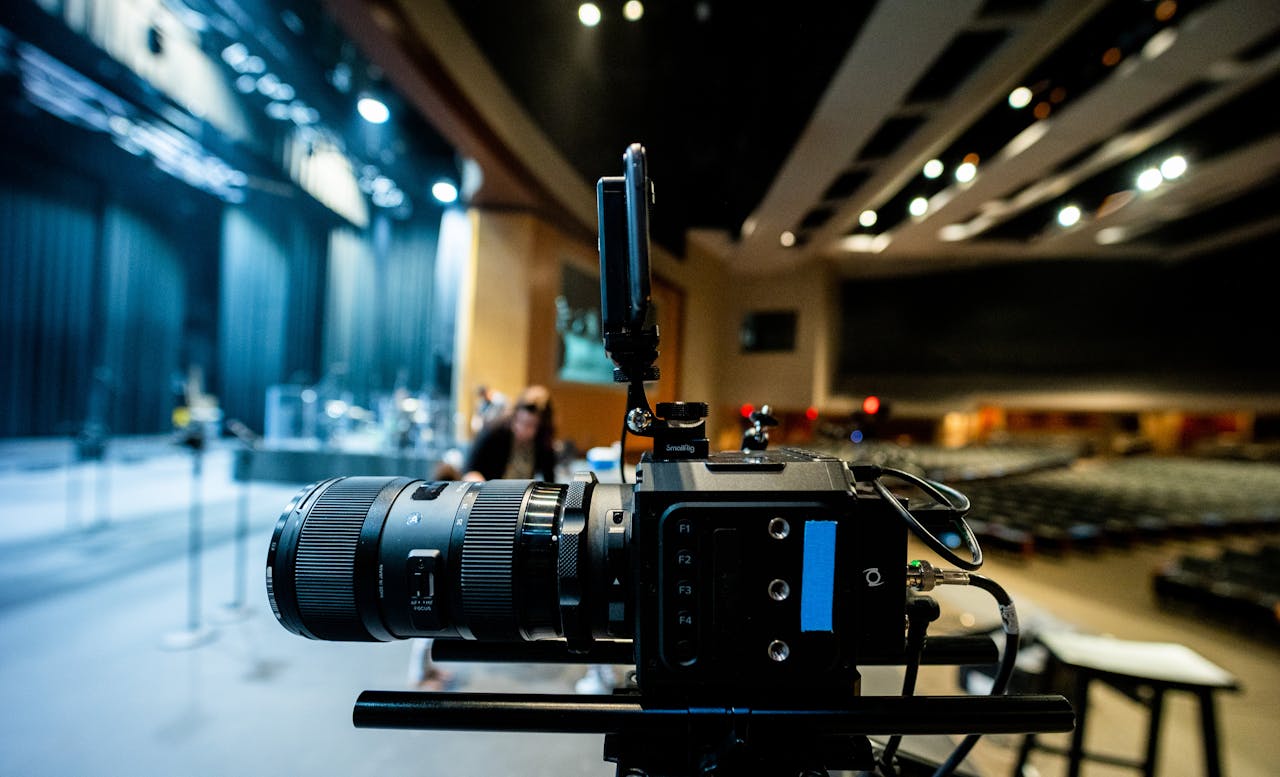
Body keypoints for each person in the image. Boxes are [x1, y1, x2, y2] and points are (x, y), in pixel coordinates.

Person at [463, 385, 557, 482]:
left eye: (530, 425)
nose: (521, 429)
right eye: (520, 421)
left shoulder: (543, 444)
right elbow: (470, 471)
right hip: (492, 494)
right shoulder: (494, 432)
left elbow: (549, 479)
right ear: (514, 415)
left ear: (541, 427)